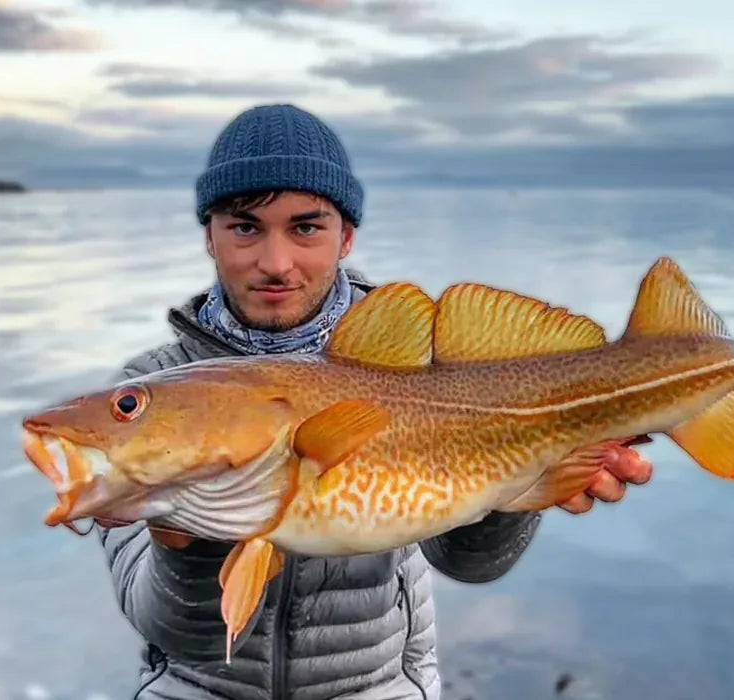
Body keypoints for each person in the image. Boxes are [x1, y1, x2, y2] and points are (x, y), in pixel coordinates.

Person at [93, 103, 655, 699]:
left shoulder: (415, 368)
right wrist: (182, 539)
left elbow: (470, 563)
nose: (276, 262)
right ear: (210, 234)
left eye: (306, 227)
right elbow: (170, 627)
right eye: (244, 227)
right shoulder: (145, 394)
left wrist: (531, 471)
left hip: (377, 685)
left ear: (346, 237)